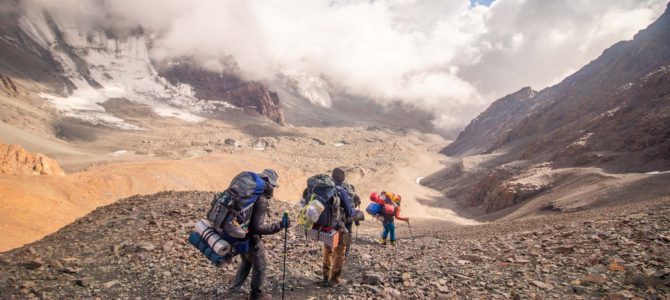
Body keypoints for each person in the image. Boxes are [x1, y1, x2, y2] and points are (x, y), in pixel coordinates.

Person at [229, 169, 290, 300]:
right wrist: (280, 225)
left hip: (238, 233)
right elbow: (257, 227)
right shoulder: (261, 199)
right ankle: (257, 294)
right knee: (260, 265)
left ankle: (234, 288)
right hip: (251, 239)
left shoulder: (248, 193)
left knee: (246, 261)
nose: (273, 188)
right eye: (273, 185)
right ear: (269, 184)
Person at [331, 167, 361, 259]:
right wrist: (355, 216)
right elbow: (350, 209)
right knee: (348, 235)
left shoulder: (331, 188)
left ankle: (332, 252)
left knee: (334, 234)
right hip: (345, 218)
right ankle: (345, 254)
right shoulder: (345, 191)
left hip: (333, 218)